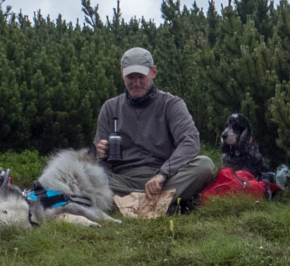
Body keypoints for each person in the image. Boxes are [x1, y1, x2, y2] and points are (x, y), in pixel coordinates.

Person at [93, 47, 216, 209]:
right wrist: (100, 154)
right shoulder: (110, 107)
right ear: (122, 73)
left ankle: (129, 204)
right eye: (131, 77)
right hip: (122, 180)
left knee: (204, 165)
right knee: (84, 177)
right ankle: (163, 204)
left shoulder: (172, 104)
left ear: (153, 72)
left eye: (141, 76)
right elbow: (99, 163)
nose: (136, 83)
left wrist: (162, 174)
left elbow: (190, 142)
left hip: (163, 179)